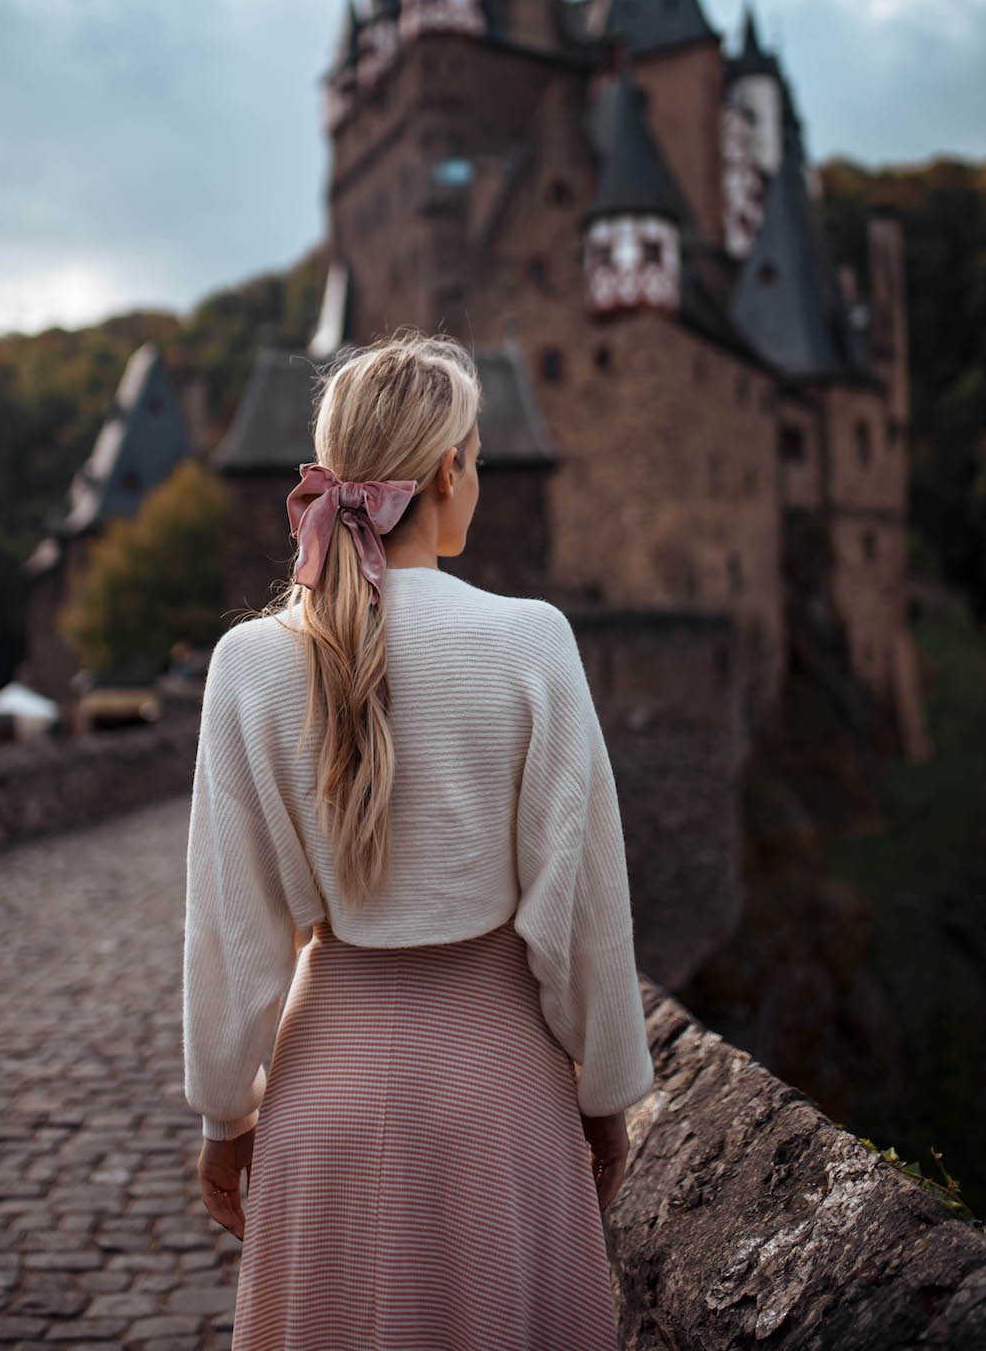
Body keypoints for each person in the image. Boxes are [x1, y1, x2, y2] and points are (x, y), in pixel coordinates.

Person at [182, 330, 654, 1349]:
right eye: (476, 459)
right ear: (448, 469)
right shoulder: (533, 641)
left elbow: (232, 933)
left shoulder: (248, 663)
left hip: (322, 1109)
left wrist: (225, 1117)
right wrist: (608, 1096)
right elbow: (582, 910)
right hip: (502, 1103)